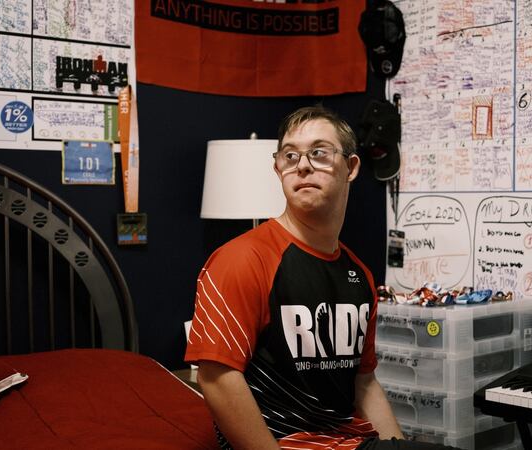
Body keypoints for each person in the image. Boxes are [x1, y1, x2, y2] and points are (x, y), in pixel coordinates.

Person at [185, 105, 458, 450]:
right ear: (278, 168)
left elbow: (365, 384)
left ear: (351, 167)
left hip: (349, 441)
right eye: (290, 155)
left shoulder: (358, 273)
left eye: (318, 153)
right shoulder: (241, 259)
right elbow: (217, 378)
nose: (302, 165)